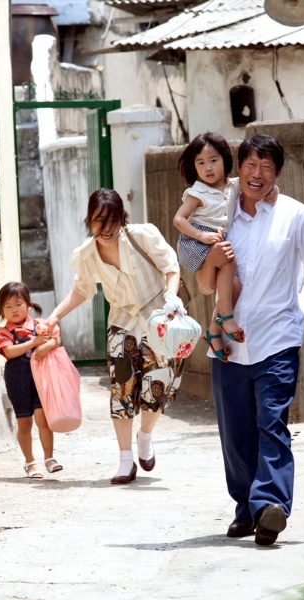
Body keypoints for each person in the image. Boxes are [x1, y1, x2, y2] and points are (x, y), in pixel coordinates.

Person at [196, 134, 304, 546]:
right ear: (238, 168)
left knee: (272, 423)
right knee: (235, 432)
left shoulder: (295, 216)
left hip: (277, 340)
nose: (257, 174)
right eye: (250, 164)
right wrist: (206, 261)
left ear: (277, 173)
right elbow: (203, 276)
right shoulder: (219, 214)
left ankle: (271, 506)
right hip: (226, 342)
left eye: (266, 167)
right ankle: (247, 509)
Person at [44, 188, 184, 485]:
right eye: (98, 221)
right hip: (122, 326)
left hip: (158, 320)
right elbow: (82, 289)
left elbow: (171, 268)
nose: (104, 229)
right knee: (121, 390)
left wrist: (171, 300)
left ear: (122, 219)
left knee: (156, 388)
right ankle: (124, 459)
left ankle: (145, 436)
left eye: (111, 220)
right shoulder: (85, 255)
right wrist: (54, 316)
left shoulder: (142, 236)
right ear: (89, 220)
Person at [172, 132, 245, 361]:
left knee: (234, 285)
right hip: (196, 242)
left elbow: (258, 187)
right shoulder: (198, 191)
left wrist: (273, 191)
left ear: (225, 159)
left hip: (215, 240)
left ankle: (213, 331)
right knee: (228, 258)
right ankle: (225, 315)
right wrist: (201, 236)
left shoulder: (235, 185)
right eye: (200, 163)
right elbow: (179, 219)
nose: (208, 168)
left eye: (213, 160)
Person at [0, 282, 63, 479]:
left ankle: (49, 459)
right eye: (7, 306)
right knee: (24, 422)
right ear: (1, 310)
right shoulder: (2, 333)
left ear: (28, 305)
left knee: (44, 420)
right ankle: (30, 462)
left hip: (41, 379)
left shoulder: (41, 325)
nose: (13, 310)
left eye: (18, 304)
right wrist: (34, 342)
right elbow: (9, 351)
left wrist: (49, 345)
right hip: (17, 380)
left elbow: (57, 339)